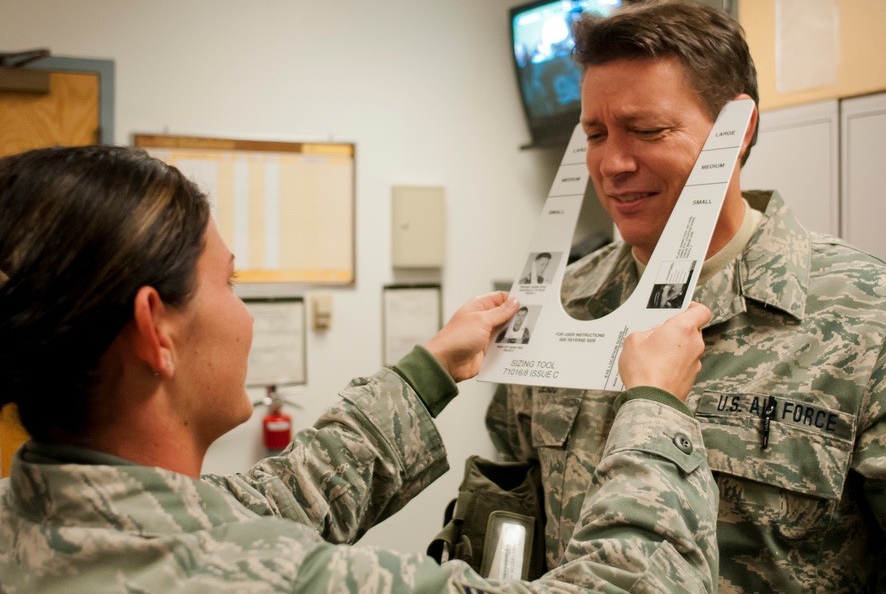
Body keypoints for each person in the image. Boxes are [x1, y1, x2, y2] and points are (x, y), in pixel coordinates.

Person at [0, 145, 720, 592]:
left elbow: (271, 504)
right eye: (229, 283)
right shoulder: (270, 581)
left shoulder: (28, 518)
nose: (246, 315)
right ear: (156, 327)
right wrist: (654, 409)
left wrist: (430, 370)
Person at [485, 0, 886, 592]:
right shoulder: (560, 305)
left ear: (739, 129)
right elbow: (515, 511)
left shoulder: (876, 320)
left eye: (646, 131)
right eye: (595, 135)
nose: (613, 164)